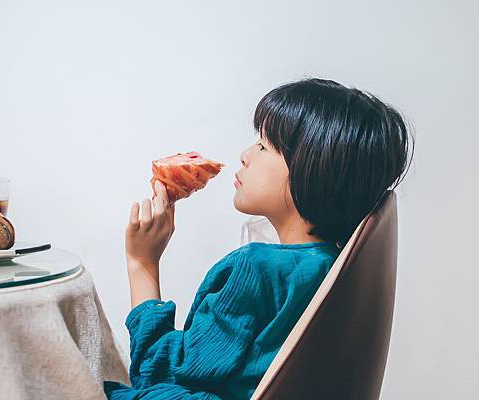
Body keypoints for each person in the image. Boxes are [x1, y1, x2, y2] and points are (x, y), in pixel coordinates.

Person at [104, 78, 414, 399]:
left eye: (264, 146)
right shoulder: (333, 268)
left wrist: (142, 263)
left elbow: (157, 372)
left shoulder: (257, 269)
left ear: (312, 168)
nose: (245, 155)